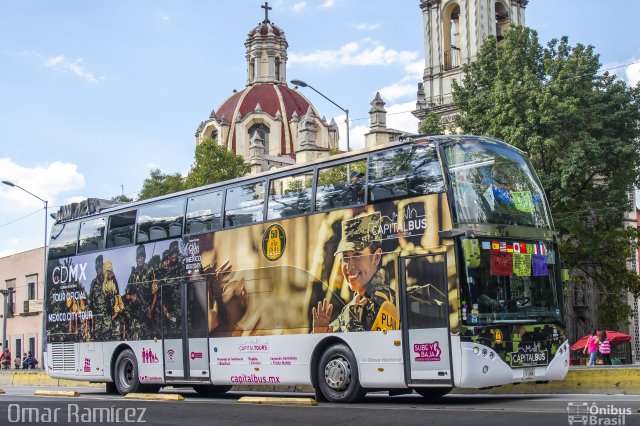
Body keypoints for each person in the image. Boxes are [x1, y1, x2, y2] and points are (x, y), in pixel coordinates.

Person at [312, 212, 398, 333]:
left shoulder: (382, 302)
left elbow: (376, 349)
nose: (350, 266)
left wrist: (351, 318)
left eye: (357, 255)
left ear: (376, 257)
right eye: (345, 257)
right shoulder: (356, 303)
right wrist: (319, 333)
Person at [124, 244, 154, 340]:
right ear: (136, 258)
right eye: (138, 257)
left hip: (148, 313)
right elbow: (126, 295)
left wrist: (151, 308)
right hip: (136, 316)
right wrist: (132, 296)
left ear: (144, 257)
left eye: (142, 256)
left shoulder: (150, 270)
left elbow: (156, 292)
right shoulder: (133, 274)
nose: (140, 259)